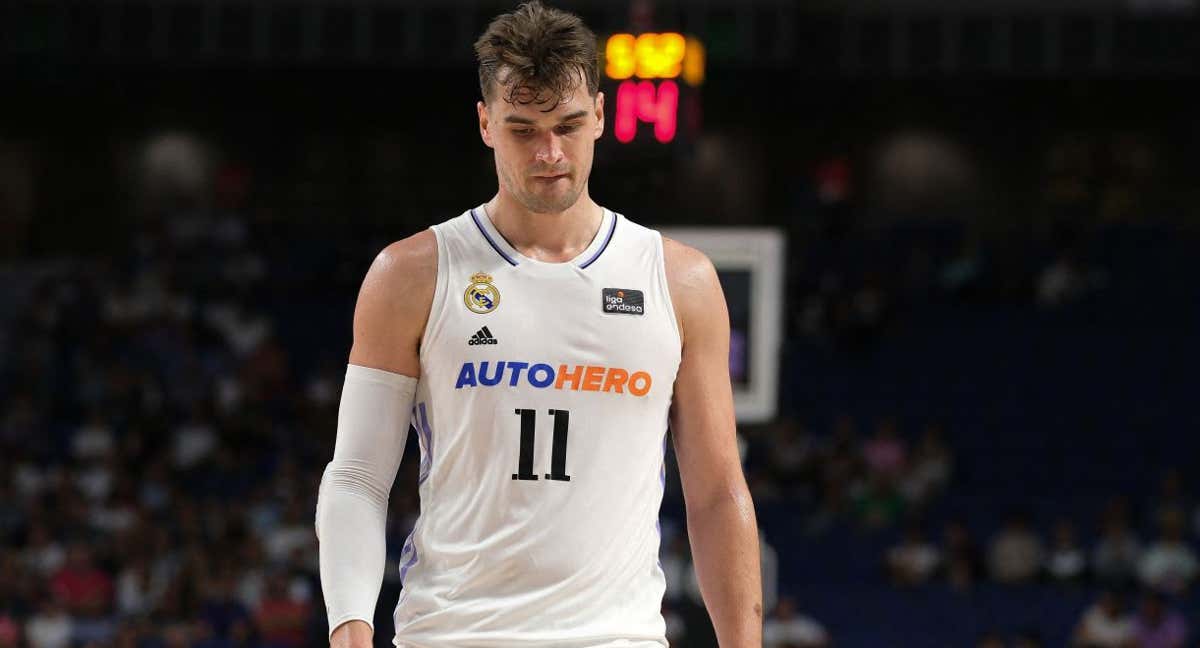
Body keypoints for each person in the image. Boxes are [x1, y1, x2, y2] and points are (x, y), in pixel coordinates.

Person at [314, 3, 762, 647]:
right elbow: (356, 475)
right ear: (485, 123)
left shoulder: (679, 281)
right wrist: (349, 627)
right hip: (454, 633)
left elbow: (719, 493)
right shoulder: (410, 274)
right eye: (523, 128)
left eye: (569, 125)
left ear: (601, 116)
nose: (550, 152)